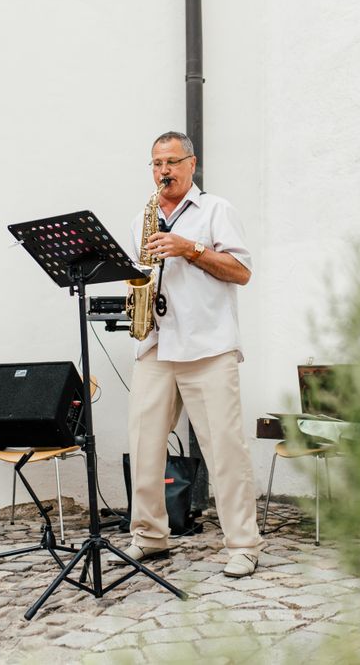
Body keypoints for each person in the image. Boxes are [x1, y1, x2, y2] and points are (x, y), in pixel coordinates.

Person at [120, 130, 262, 578]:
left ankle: (243, 544)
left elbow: (241, 272)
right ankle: (149, 536)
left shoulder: (217, 210)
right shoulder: (142, 219)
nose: (164, 171)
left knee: (225, 448)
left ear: (191, 164)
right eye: (157, 163)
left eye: (172, 162)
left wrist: (190, 248)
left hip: (207, 345)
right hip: (156, 343)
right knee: (143, 445)